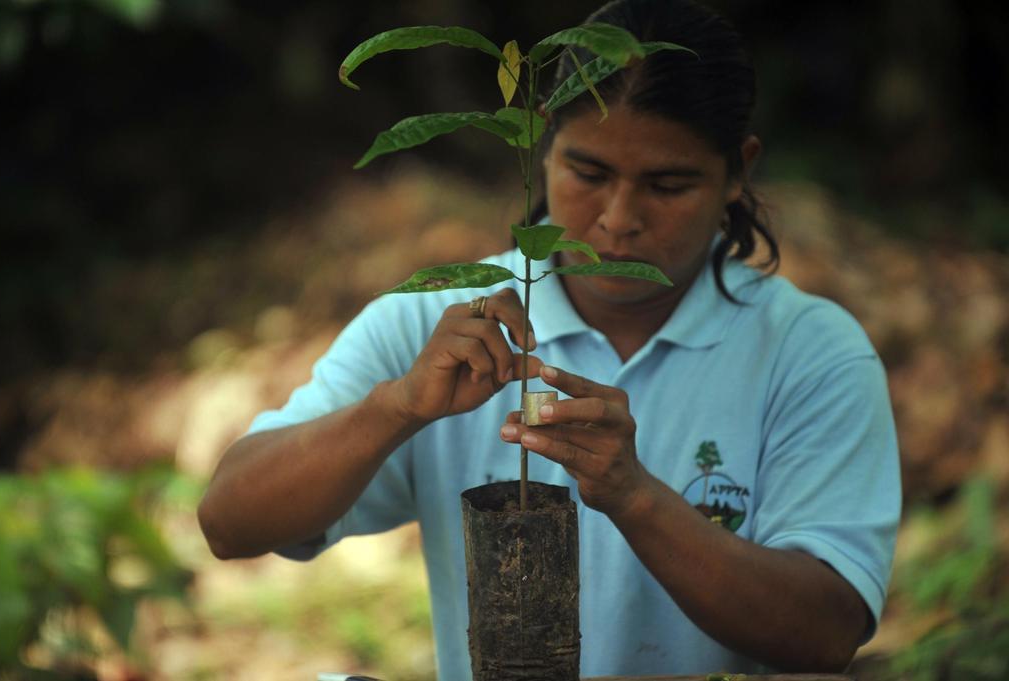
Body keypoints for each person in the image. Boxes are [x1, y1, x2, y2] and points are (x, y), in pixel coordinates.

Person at [197, 0, 901, 677]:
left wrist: (635, 496)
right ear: (541, 141)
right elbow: (229, 520)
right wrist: (398, 407)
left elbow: (827, 632)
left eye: (668, 185)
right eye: (589, 173)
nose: (618, 218)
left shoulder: (807, 352)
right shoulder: (436, 325)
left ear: (737, 171)